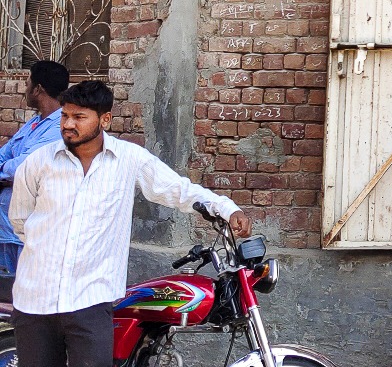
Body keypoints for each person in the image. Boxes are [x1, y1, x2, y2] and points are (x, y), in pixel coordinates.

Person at [9, 80, 251, 367]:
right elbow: (20, 220)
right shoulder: (38, 163)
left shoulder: (129, 160)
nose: (67, 124)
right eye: (65, 115)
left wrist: (226, 209)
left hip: (90, 301)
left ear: (105, 119)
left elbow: (178, 189)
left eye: (79, 117)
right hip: (35, 299)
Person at [0, 60, 69, 276]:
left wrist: (6, 170)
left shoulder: (58, 126)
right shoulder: (35, 122)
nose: (25, 89)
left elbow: (24, 165)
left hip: (28, 230)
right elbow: (6, 154)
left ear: (38, 89)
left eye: (28, 83)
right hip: (6, 227)